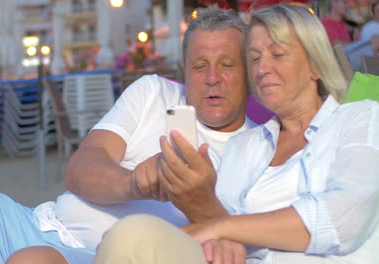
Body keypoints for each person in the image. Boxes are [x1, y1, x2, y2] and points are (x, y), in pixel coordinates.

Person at [0, 6, 256, 264]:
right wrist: (135, 181)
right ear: (184, 69)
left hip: (92, 255)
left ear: (248, 71)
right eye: (199, 66)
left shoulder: (261, 151)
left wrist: (196, 201)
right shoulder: (153, 91)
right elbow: (79, 169)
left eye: (227, 65)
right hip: (32, 220)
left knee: (31, 260)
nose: (212, 78)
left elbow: (237, 247)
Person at [94, 4, 379, 264]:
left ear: (315, 64)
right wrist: (190, 203)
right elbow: (218, 227)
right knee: (131, 236)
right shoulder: (244, 145)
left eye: (277, 54)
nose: (263, 69)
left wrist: (220, 227)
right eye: (254, 59)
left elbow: (343, 218)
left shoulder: (361, 118)